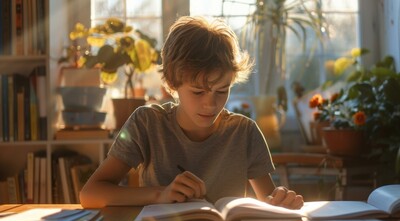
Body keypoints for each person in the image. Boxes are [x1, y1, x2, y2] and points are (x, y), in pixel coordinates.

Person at [80, 16, 304, 209]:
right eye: (198, 92)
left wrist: (280, 202)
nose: (211, 104)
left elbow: (267, 200)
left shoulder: (244, 132)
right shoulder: (146, 123)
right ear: (171, 82)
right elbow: (90, 194)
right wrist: (162, 194)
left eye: (222, 90)